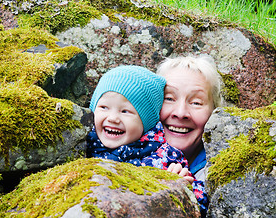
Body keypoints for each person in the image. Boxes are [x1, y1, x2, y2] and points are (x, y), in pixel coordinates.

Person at [86, 65, 208, 216]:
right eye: (104, 107)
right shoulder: (83, 143)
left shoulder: (164, 157)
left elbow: (201, 203)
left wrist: (184, 190)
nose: (113, 118)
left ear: (146, 122)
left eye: (125, 111)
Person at [157, 55, 221, 182]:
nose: (180, 113)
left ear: (214, 112)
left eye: (196, 102)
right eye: (169, 98)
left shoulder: (222, 175)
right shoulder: (124, 153)